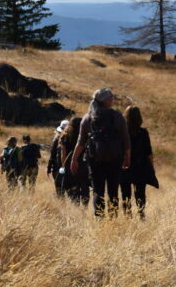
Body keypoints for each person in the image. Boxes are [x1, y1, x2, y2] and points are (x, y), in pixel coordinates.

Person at [71, 88, 131, 217]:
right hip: (115, 159)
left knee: (98, 191)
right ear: (106, 100)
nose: (113, 99)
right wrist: (127, 157)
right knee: (113, 191)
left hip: (95, 159)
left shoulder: (88, 118)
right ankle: (113, 219)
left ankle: (99, 219)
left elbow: (81, 142)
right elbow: (126, 139)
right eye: (111, 97)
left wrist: (74, 159)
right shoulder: (117, 116)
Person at [120, 106, 158, 219]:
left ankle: (128, 216)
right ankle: (141, 214)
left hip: (125, 166)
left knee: (125, 193)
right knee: (140, 193)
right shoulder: (143, 133)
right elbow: (149, 152)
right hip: (140, 166)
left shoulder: (122, 133)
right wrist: (152, 167)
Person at [60, 117, 89, 206]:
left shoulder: (65, 137)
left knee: (73, 187)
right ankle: (85, 207)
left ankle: (75, 207)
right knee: (85, 186)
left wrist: (63, 166)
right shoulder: (86, 136)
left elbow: (63, 154)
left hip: (70, 165)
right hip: (84, 165)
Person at [47, 120, 68, 198]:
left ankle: (62, 205)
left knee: (59, 189)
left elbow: (52, 155)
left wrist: (49, 168)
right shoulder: (74, 139)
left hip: (58, 167)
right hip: (71, 167)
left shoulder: (57, 139)